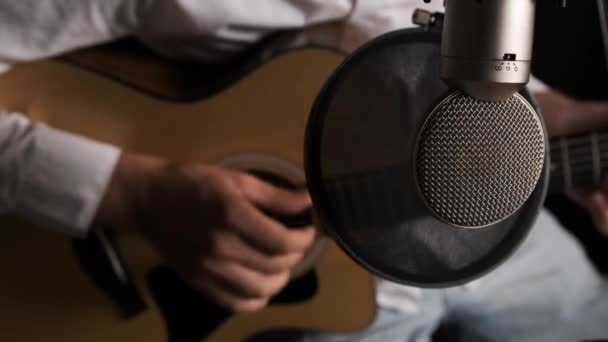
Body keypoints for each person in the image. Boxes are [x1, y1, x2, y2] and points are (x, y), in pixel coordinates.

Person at [0, 1, 606, 341]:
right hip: (287, 302)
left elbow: (448, 60)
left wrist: (560, 120)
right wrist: (135, 195)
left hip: (492, 243)